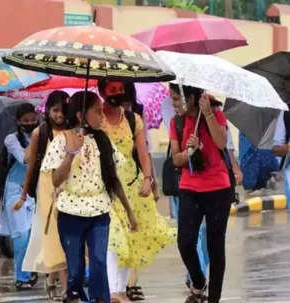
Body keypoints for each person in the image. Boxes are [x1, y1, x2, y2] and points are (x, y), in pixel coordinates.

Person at [41, 91, 136, 303]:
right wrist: (70, 154)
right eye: (97, 111)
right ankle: (73, 295)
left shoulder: (102, 141)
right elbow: (56, 180)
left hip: (100, 212)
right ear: (80, 115)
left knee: (99, 262)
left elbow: (113, 179)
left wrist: (130, 213)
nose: (102, 116)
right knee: (75, 267)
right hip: (70, 213)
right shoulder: (61, 140)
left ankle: (99, 299)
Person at [99, 81, 176, 303]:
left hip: (131, 187)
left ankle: (120, 289)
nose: (117, 94)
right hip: (105, 186)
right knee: (114, 237)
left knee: (129, 239)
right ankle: (113, 290)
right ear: (103, 91)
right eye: (112, 90)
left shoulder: (133, 120)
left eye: (120, 90)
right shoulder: (95, 118)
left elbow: (143, 153)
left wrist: (148, 179)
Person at [165, 91, 242, 291]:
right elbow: (176, 159)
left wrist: (208, 114)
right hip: (190, 187)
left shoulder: (216, 115)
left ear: (189, 98)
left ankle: (214, 298)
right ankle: (199, 281)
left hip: (218, 188)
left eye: (175, 98)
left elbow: (222, 143)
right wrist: (189, 151)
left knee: (215, 245)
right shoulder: (177, 123)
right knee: (185, 242)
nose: (173, 103)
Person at [18, 90, 69, 300]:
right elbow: (30, 166)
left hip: (68, 186)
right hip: (46, 187)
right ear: (47, 110)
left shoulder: (73, 131)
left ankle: (64, 284)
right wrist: (23, 194)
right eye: (55, 110)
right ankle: (52, 276)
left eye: (63, 111)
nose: (59, 115)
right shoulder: (41, 132)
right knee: (51, 234)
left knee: (66, 234)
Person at [0, 103, 39, 290]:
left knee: (32, 234)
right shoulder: (11, 139)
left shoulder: (45, 136)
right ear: (18, 122)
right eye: (26, 121)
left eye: (33, 120)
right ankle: (21, 276)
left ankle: (31, 269)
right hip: (15, 191)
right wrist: (36, 139)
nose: (30, 123)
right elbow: (25, 159)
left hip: (36, 190)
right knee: (20, 235)